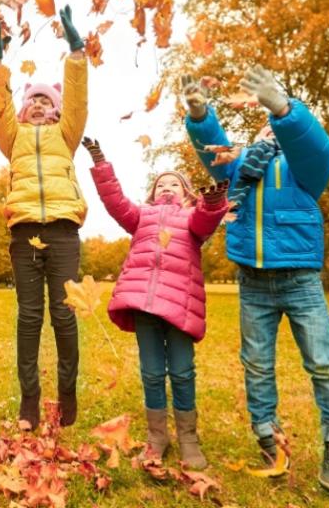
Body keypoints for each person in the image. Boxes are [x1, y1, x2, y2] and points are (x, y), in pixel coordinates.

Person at [183, 66, 329, 493]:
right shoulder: (239, 168)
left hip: (300, 281)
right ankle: (267, 437)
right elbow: (212, 152)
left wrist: (283, 109)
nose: (268, 129)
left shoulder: (305, 169)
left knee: (323, 364)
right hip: (253, 282)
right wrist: (201, 115)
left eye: (275, 123)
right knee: (257, 365)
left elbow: (317, 146)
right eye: (264, 124)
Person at [83, 138, 228, 469]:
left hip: (179, 308)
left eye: (174, 183)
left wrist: (212, 202)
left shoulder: (192, 217)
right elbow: (116, 202)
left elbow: (206, 221)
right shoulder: (141, 216)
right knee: (151, 373)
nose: (166, 187)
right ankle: (157, 436)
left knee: (181, 371)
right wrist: (100, 162)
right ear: (151, 193)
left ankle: (188, 438)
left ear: (187, 192)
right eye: (160, 183)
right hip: (145, 305)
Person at [0, 6, 88, 429]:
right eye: (35, 100)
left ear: (57, 109)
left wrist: (76, 51)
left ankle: (67, 392)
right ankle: (30, 399)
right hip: (24, 230)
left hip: (63, 230)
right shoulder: (15, 137)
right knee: (29, 316)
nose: (41, 105)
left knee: (63, 314)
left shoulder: (67, 134)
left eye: (48, 100)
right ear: (25, 110)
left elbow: (78, 101)